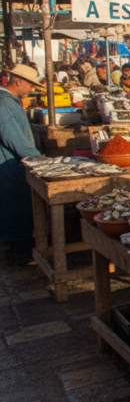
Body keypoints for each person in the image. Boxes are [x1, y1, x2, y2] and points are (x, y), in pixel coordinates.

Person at [0, 65, 42, 265]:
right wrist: (38, 159)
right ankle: (20, 255)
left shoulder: (8, 102)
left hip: (11, 163)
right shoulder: (6, 104)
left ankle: (15, 251)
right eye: (29, 85)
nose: (30, 89)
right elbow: (13, 138)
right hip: (10, 165)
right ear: (18, 82)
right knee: (16, 208)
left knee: (12, 208)